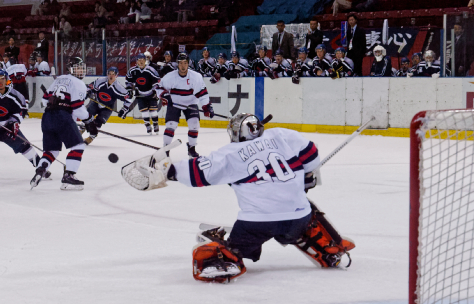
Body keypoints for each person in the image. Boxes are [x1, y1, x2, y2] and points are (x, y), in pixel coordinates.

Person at [121, 113, 355, 283]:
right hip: (297, 219)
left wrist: (165, 169)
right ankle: (327, 247)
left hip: (257, 223)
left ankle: (227, 259)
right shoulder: (283, 135)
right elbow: (312, 158)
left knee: (233, 246)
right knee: (307, 212)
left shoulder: (230, 154)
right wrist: (304, 181)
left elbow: (195, 173)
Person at [30, 57, 98, 191]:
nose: (81, 70)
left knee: (52, 151)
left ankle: (40, 170)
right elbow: (78, 108)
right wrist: (89, 120)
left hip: (47, 117)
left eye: (81, 67)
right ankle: (69, 175)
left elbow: (45, 100)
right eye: (78, 67)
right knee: (78, 146)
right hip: (62, 117)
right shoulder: (79, 83)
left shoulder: (59, 78)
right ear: (71, 69)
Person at [155, 52, 213, 158]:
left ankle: (191, 148)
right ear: (177, 64)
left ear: (188, 64)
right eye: (180, 63)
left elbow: (202, 93)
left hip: (191, 103)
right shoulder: (169, 77)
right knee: (171, 125)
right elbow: (159, 88)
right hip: (174, 104)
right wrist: (165, 96)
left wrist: (207, 106)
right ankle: (166, 148)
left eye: (185, 63)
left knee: (194, 124)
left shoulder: (196, 77)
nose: (183, 65)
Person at [82, 67, 131, 144]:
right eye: (109, 74)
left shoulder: (119, 88)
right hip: (96, 103)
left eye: (113, 74)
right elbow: (90, 87)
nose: (111, 76)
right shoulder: (100, 81)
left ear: (117, 75)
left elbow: (128, 99)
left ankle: (91, 137)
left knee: (98, 123)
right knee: (86, 116)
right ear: (107, 74)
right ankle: (80, 130)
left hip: (107, 108)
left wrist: (124, 110)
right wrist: (88, 92)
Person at [123, 53, 160, 134]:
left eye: (142, 60)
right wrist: (129, 89)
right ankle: (147, 125)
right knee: (144, 111)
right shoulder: (133, 71)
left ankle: (155, 123)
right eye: (139, 60)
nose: (141, 62)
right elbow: (128, 81)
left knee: (153, 111)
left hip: (151, 93)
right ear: (137, 61)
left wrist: (155, 90)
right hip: (140, 94)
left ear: (145, 60)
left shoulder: (150, 70)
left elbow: (157, 81)